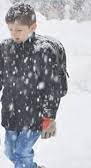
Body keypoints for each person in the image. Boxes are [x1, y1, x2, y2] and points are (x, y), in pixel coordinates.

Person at [0, 3, 67, 168]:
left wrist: (49, 117)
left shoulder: (43, 51)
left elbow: (52, 87)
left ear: (33, 27)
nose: (14, 34)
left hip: (34, 114)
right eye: (11, 30)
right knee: (10, 151)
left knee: (22, 154)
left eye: (19, 30)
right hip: (11, 111)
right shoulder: (5, 48)